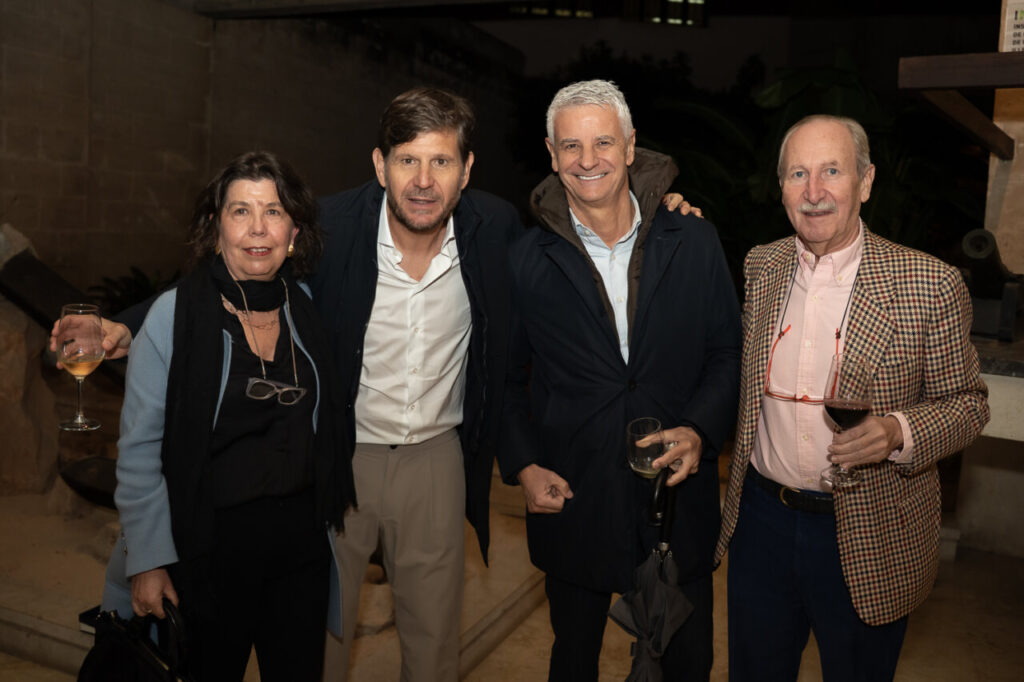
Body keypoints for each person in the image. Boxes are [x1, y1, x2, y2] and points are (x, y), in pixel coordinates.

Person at [714, 115, 990, 681]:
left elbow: (969, 403)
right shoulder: (761, 266)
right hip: (761, 523)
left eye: (831, 172)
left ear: (865, 183)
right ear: (782, 186)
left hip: (869, 527)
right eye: (798, 174)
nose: (814, 192)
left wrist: (898, 432)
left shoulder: (928, 283)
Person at [498, 79, 742, 680]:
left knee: (686, 663)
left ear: (631, 147)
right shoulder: (524, 260)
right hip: (575, 497)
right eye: (571, 146)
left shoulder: (695, 239)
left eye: (603, 141)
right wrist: (525, 466)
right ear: (552, 156)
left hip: (675, 495)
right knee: (573, 660)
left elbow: (727, 353)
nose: (588, 160)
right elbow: (504, 377)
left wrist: (700, 431)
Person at [99, 151, 355, 681]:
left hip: (300, 547)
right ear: (216, 229)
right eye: (240, 211)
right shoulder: (175, 316)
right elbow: (140, 449)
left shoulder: (303, 306)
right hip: (208, 550)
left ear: (295, 232)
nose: (258, 228)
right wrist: (148, 559)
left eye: (274, 211)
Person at [310, 87, 520, 681]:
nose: (424, 180)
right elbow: (237, 271)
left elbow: (582, 224)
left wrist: (660, 206)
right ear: (380, 165)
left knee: (433, 645)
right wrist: (122, 326)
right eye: (407, 160)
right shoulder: (329, 227)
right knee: (321, 633)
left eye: (442, 161)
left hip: (436, 461)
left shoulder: (495, 229)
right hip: (339, 455)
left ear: (466, 170)